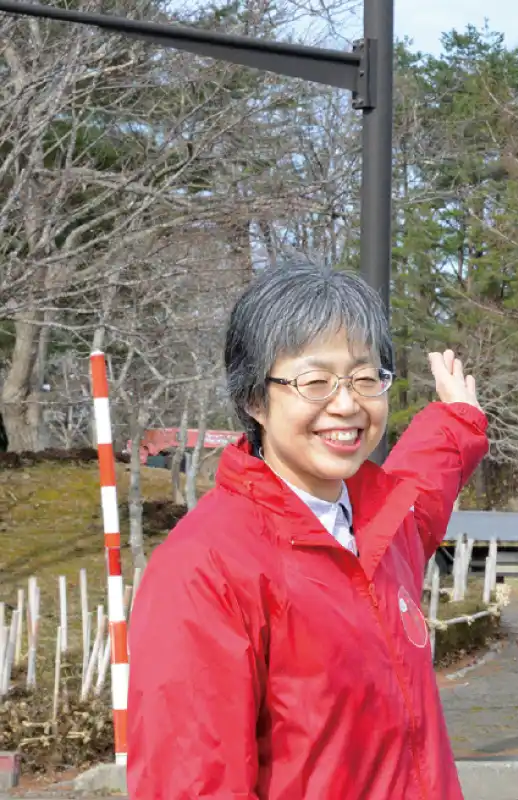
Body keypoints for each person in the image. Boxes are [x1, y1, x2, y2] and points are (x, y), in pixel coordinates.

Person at [126, 264, 489, 799]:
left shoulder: (383, 528)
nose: (345, 404)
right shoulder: (206, 569)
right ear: (254, 399)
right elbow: (191, 783)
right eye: (314, 381)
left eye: (365, 379)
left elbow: (425, 482)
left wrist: (458, 420)